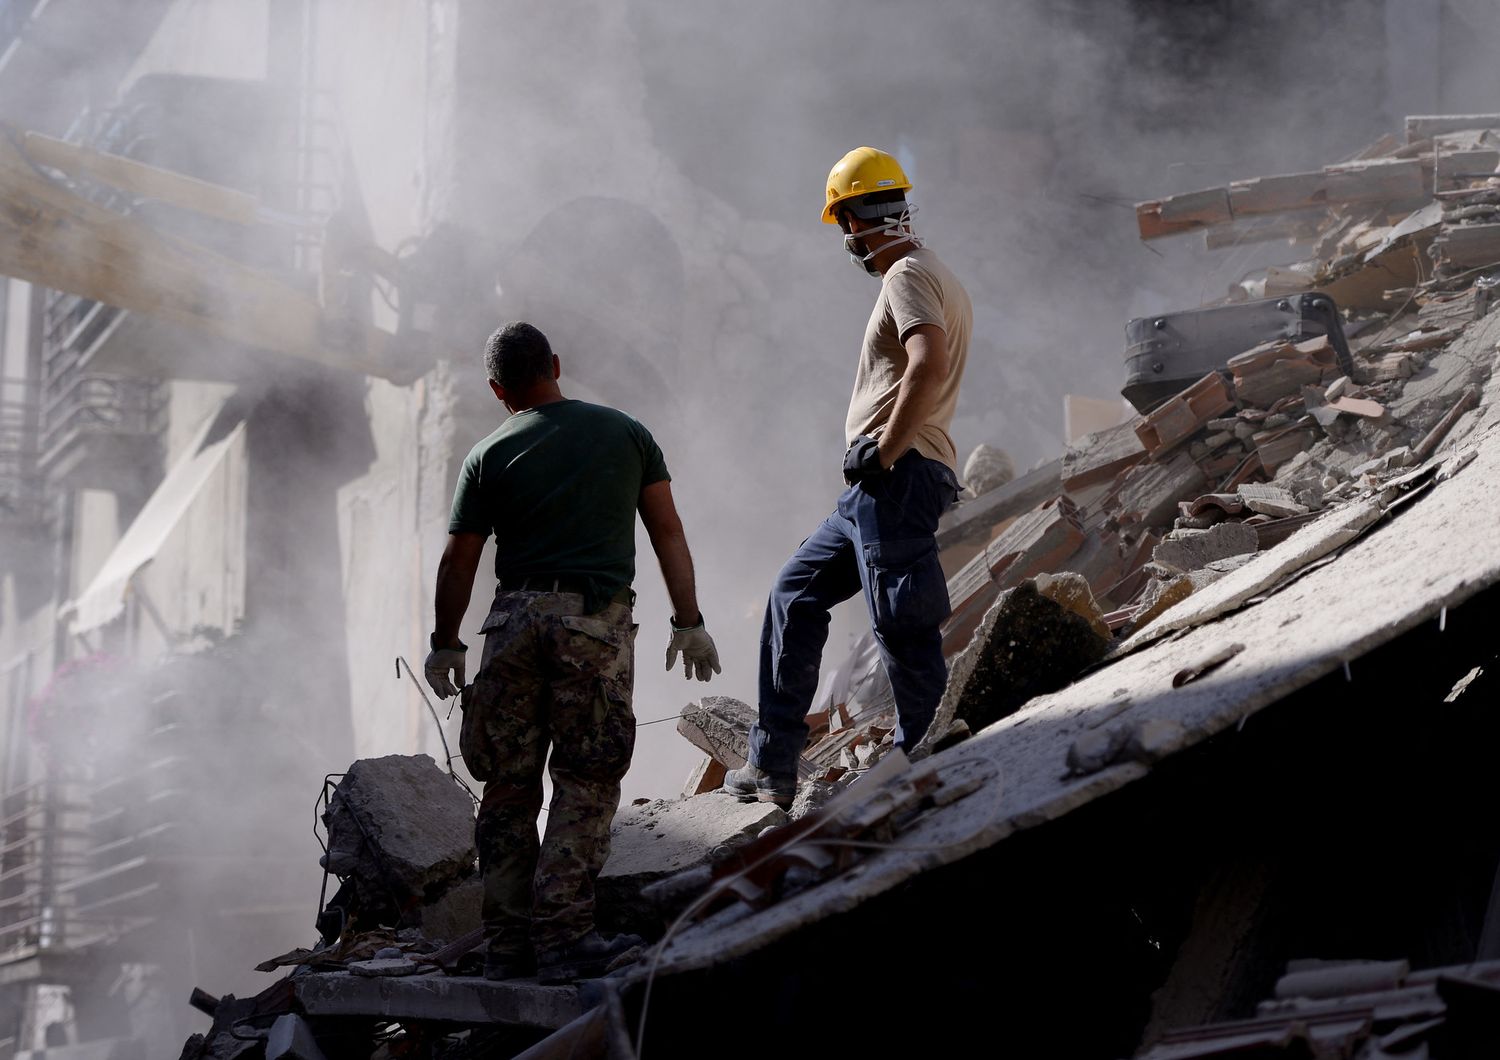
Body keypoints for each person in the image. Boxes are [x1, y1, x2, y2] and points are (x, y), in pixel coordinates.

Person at [424, 321, 720, 983]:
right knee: (585, 782)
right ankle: (561, 941)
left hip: (510, 627)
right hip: (592, 624)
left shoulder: (487, 454)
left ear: (498, 389)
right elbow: (667, 531)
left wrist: (446, 644)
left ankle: (506, 948)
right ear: (556, 364)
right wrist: (688, 621)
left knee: (506, 789)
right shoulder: (626, 432)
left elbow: (458, 561)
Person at [724, 147, 971, 809]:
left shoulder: (908, 276)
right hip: (876, 487)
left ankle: (927, 744)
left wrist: (885, 450)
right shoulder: (932, 273)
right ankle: (772, 762)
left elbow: (929, 363)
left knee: (900, 616)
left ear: (860, 220)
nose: (847, 241)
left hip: (899, 475)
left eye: (845, 226)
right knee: (793, 593)